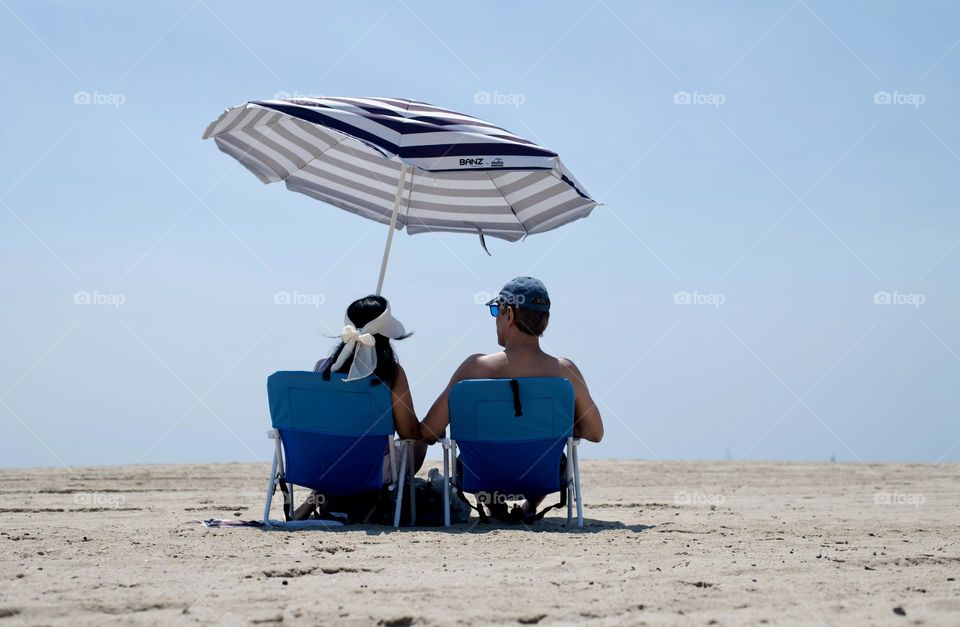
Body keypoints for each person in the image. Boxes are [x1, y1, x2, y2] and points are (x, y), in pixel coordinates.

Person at [420, 277, 603, 521]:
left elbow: (429, 432)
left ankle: (493, 506)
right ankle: (529, 506)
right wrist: (556, 425)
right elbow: (595, 433)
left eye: (496, 310)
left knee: (476, 450)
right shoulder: (564, 371)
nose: (496, 319)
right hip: (541, 477)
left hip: (481, 476)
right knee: (549, 450)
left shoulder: (475, 368)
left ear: (508, 316)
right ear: (545, 319)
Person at [293, 295, 426, 520]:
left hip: (324, 466)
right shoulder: (391, 373)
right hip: (370, 470)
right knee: (419, 442)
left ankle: (316, 499)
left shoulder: (323, 368)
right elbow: (408, 434)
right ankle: (375, 502)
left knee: (339, 445)